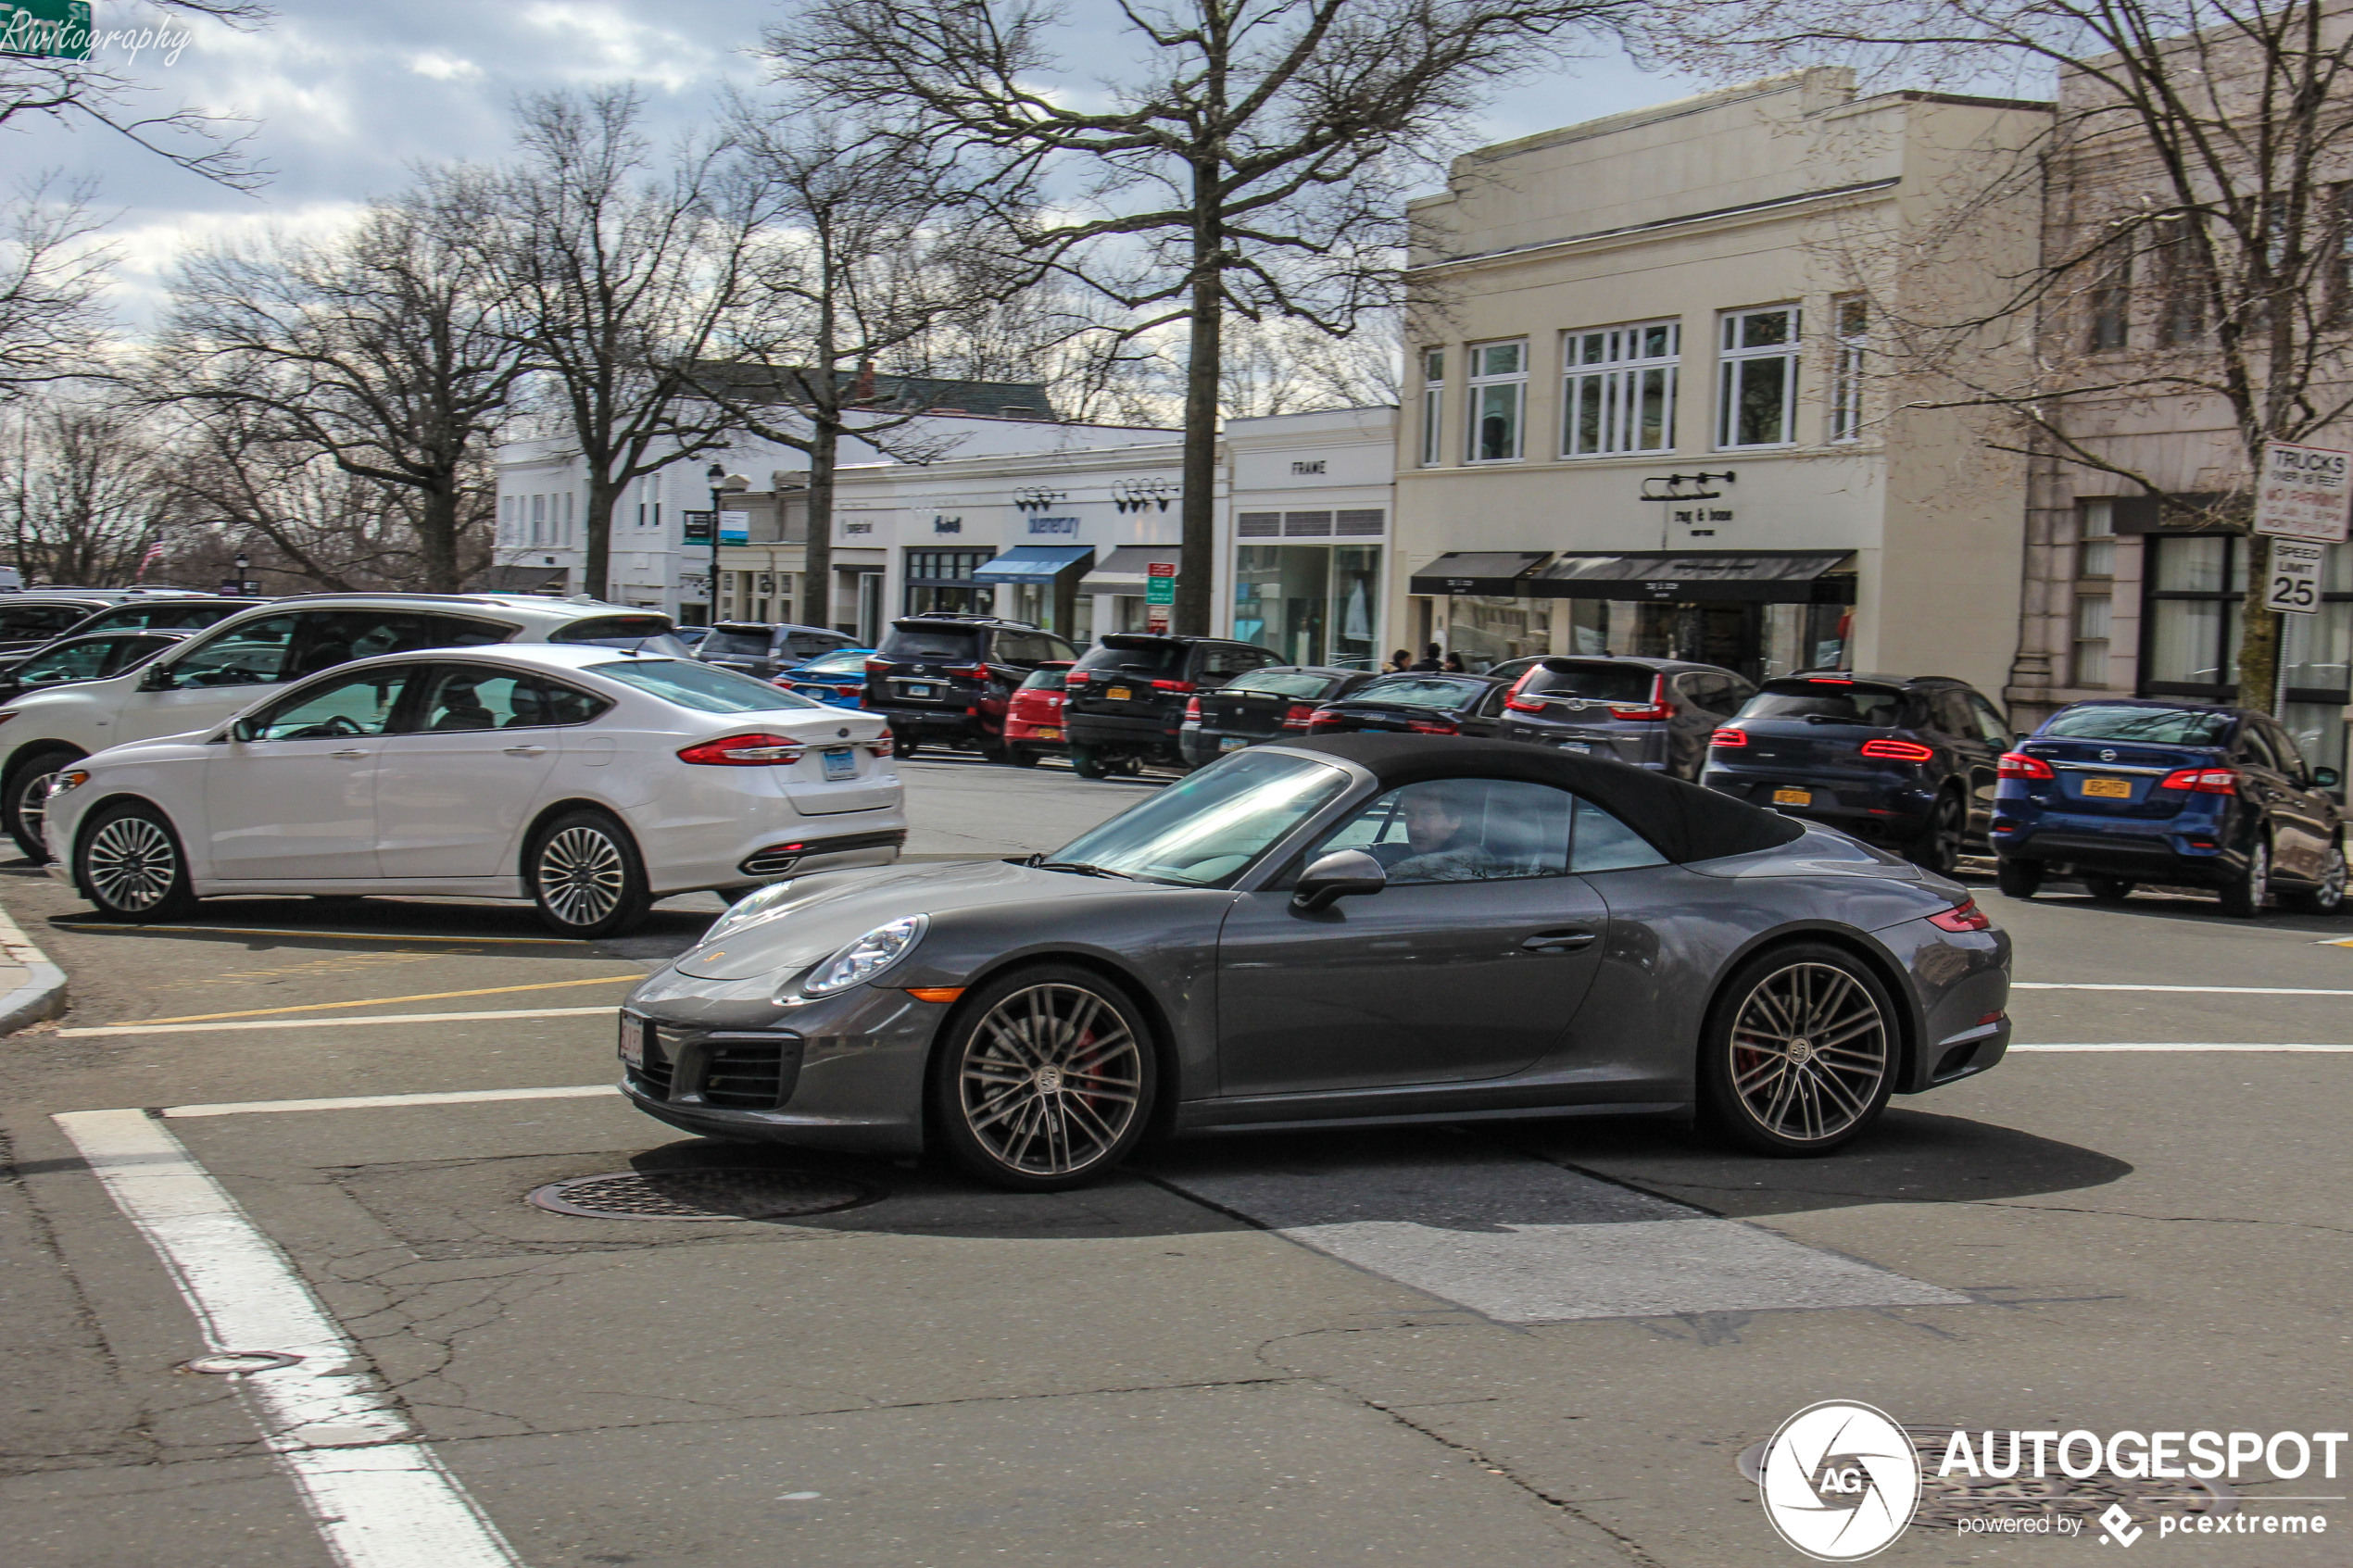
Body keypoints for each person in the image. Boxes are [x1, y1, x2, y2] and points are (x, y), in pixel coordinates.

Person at [1386, 782, 1502, 884]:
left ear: (1455, 820)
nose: (1415, 826)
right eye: (1409, 814)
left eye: (1427, 815)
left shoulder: (1456, 866)